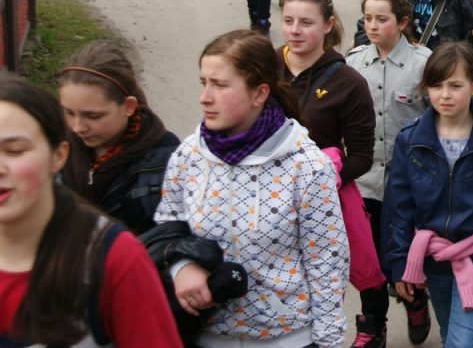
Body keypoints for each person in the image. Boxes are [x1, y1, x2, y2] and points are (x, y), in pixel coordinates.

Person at [155, 30, 349, 348]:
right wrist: (181, 267)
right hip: (205, 336)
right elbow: (167, 227)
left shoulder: (306, 166)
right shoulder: (188, 156)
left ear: (259, 94)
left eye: (219, 85)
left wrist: (327, 342)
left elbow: (327, 260)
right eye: (203, 82)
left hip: (288, 339)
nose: (204, 97)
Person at [0, 74, 181, 347]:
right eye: (69, 114)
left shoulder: (113, 257)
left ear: (58, 156)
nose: (79, 127)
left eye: (14, 150)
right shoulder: (82, 162)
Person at [382, 42, 473, 348]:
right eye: (436, 86)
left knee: (462, 343)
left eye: (455, 85)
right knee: (451, 338)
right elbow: (399, 208)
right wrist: (399, 263)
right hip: (434, 260)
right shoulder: (410, 139)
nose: (444, 95)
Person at [278, 0, 383, 347]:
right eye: (288, 20)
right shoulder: (262, 68)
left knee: (322, 285)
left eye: (305, 22)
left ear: (327, 25)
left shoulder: (349, 82)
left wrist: (319, 178)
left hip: (320, 204)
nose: (294, 30)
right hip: (265, 199)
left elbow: (362, 156)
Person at [348, 0, 433, 346]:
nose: (372, 25)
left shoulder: (423, 64)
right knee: (369, 260)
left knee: (403, 254)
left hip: (408, 183)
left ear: (402, 22)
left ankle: (415, 301)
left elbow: (437, 120)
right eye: (367, 18)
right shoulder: (353, 64)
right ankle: (374, 325)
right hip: (365, 181)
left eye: (381, 19)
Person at [58, 41, 180, 235]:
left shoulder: (168, 158)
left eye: (93, 116)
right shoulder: (53, 145)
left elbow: (172, 236)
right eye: (69, 113)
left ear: (129, 106)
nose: (77, 127)